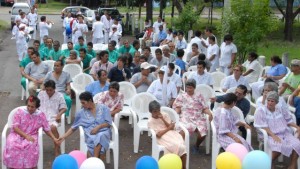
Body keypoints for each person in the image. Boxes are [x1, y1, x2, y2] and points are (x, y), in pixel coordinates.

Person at [3, 96, 58, 169]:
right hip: (17, 134)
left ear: (37, 107)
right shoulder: (20, 112)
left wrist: (54, 138)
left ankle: (28, 167)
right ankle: (13, 167)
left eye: (32, 107)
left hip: (32, 134)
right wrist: (25, 136)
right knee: (12, 144)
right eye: (28, 106)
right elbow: (15, 127)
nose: (29, 108)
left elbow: (47, 128)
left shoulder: (40, 115)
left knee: (30, 145)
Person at [58, 92, 112, 160]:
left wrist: (98, 127)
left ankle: (95, 160)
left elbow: (109, 123)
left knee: (101, 136)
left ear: (90, 101)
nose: (82, 105)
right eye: (81, 103)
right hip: (91, 135)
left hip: (104, 131)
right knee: (97, 140)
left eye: (84, 103)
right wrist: (63, 137)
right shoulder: (80, 113)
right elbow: (73, 127)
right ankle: (98, 162)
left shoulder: (103, 108)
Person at [254, 91, 300, 169]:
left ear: (276, 102)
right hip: (269, 134)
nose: (270, 102)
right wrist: (273, 135)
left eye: (272, 101)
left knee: (297, 143)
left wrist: (297, 127)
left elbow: (288, 120)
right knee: (279, 145)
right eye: (268, 100)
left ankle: (292, 165)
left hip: (284, 133)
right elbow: (262, 126)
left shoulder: (280, 109)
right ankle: (269, 162)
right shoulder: (261, 110)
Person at [173, 79, 213, 153]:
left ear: (194, 88)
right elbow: (177, 108)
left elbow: (205, 108)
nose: (189, 89)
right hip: (185, 117)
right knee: (182, 132)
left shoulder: (199, 96)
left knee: (203, 133)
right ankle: (181, 148)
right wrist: (175, 115)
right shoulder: (181, 96)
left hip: (198, 118)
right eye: (187, 87)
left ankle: (196, 146)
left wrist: (210, 114)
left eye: (191, 87)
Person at [147, 100, 187, 169]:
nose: (157, 113)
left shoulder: (164, 115)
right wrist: (168, 128)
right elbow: (159, 134)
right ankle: (179, 166)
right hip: (161, 137)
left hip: (171, 133)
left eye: (158, 110)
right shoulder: (150, 121)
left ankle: (182, 166)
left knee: (180, 144)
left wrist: (163, 119)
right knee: (179, 146)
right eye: (155, 112)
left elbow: (171, 127)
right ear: (151, 112)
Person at [38, 80, 67, 157]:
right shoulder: (41, 94)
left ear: (54, 89)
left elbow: (64, 108)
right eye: (47, 90)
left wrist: (59, 115)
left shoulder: (59, 95)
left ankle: (56, 148)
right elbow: (36, 105)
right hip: (41, 117)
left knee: (53, 127)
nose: (49, 92)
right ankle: (56, 142)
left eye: (51, 90)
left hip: (54, 118)